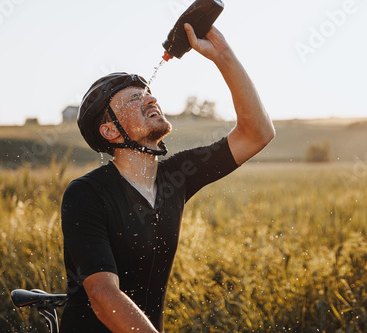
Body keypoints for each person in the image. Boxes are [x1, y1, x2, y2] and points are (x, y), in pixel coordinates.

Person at [60, 23, 275, 332]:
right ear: (110, 131)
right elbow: (103, 295)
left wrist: (223, 56)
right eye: (134, 99)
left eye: (149, 95)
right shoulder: (87, 194)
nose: (150, 100)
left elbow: (257, 133)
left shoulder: (177, 176)